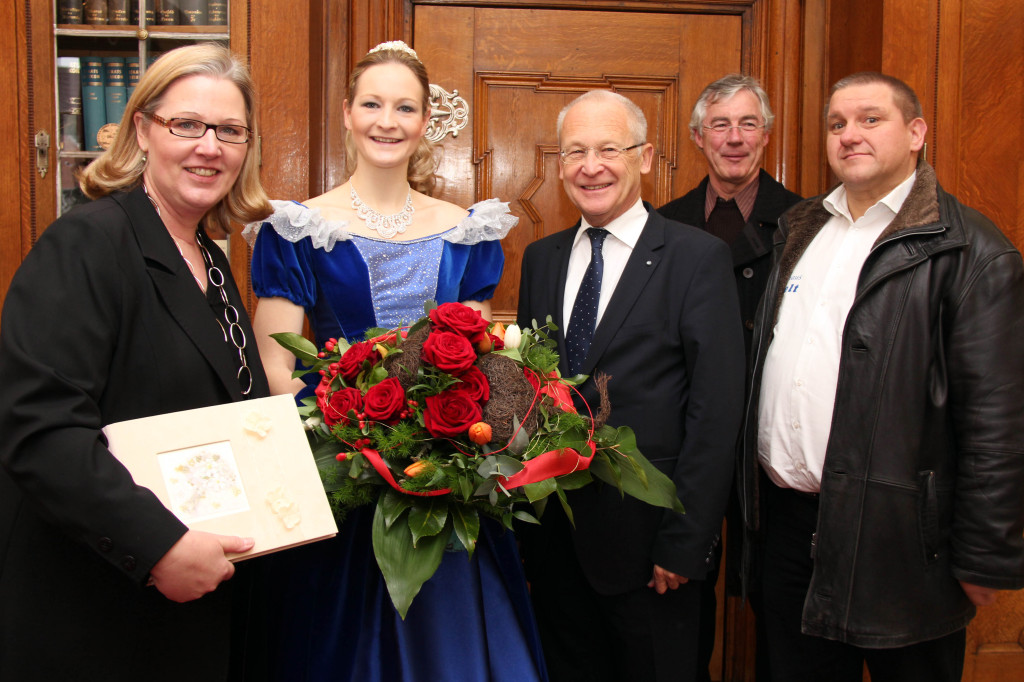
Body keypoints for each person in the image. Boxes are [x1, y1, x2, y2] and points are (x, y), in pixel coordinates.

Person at [239, 41, 545, 681]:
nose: (387, 120)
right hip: (342, 480)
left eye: (404, 107)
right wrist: (350, 447)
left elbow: (481, 362)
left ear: (424, 119)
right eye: (372, 103)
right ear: (347, 113)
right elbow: (275, 368)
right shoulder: (297, 227)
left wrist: (458, 444)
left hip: (443, 476)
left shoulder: (466, 229)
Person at [0, 43, 272, 681]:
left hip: (188, 604)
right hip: (95, 604)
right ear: (144, 131)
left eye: (230, 131)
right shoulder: (87, 241)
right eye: (186, 125)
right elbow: (40, 430)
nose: (210, 146)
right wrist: (158, 547)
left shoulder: (210, 259)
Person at [741, 72, 1024, 682]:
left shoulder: (972, 250)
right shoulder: (800, 228)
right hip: (789, 531)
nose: (850, 135)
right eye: (837, 124)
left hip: (902, 543)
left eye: (871, 119)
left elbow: (998, 420)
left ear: (916, 132)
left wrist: (985, 553)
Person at [517, 89, 746, 682]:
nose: (591, 166)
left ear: (644, 158)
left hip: (653, 550)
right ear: (560, 164)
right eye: (575, 152)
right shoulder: (540, 259)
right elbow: (533, 391)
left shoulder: (697, 258)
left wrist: (686, 541)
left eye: (608, 149)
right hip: (556, 546)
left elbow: (717, 412)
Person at [659, 74, 802, 682]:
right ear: (698, 137)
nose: (734, 137)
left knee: (776, 595)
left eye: (748, 124)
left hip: (770, 440)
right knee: (679, 589)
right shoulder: (662, 224)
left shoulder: (805, 223)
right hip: (683, 437)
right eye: (720, 124)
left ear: (766, 136)